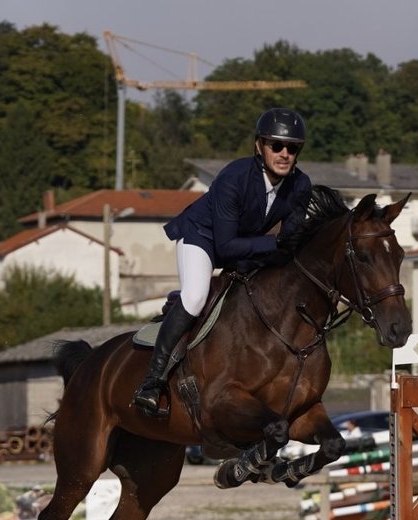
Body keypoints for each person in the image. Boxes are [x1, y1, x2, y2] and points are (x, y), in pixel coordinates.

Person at [132, 107, 314, 417]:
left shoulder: (300, 186)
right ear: (259, 146)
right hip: (203, 238)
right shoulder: (235, 176)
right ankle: (153, 381)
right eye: (276, 145)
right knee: (195, 296)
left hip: (246, 245)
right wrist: (275, 243)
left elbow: (291, 241)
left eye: (292, 148)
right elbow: (227, 246)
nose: (284, 153)